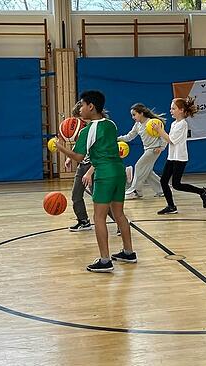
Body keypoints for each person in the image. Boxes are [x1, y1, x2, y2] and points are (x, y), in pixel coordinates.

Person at [52, 90, 137, 273]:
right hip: (118, 171)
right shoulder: (111, 124)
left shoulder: (88, 130)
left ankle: (105, 260)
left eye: (82, 105)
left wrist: (60, 147)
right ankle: (129, 252)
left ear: (91, 106)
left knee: (98, 217)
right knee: (119, 214)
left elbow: (78, 156)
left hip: (104, 174)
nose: (80, 109)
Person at [152, 97, 206, 215]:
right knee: (163, 181)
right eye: (171, 108)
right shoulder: (174, 124)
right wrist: (161, 143)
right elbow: (168, 140)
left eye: (173, 108)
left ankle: (202, 191)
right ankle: (171, 206)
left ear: (181, 110)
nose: (171, 110)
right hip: (172, 156)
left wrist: (159, 130)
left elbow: (172, 140)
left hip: (180, 158)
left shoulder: (183, 124)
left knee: (176, 185)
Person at [119, 103, 166, 200]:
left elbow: (163, 136)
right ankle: (162, 189)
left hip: (154, 150)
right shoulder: (137, 125)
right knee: (148, 172)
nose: (133, 117)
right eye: (132, 115)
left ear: (141, 113)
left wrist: (161, 147)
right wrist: (117, 139)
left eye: (134, 114)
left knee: (139, 166)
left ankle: (135, 191)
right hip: (147, 149)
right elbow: (129, 136)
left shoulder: (152, 122)